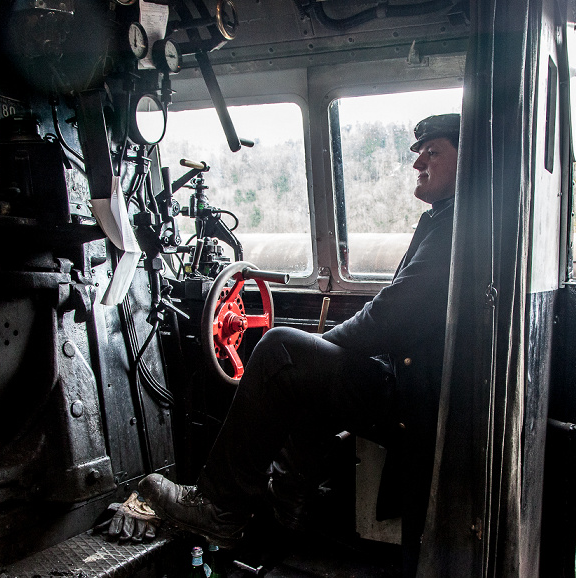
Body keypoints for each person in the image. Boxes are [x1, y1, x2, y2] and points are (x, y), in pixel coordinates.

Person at [139, 113, 461, 572]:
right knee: (304, 375)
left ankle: (218, 507)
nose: (418, 164)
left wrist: (325, 343)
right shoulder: (445, 219)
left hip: (418, 396)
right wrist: (329, 352)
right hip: (415, 385)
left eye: (433, 152)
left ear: (466, 160)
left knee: (280, 351)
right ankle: (287, 509)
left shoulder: (456, 226)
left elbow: (394, 313)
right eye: (418, 154)